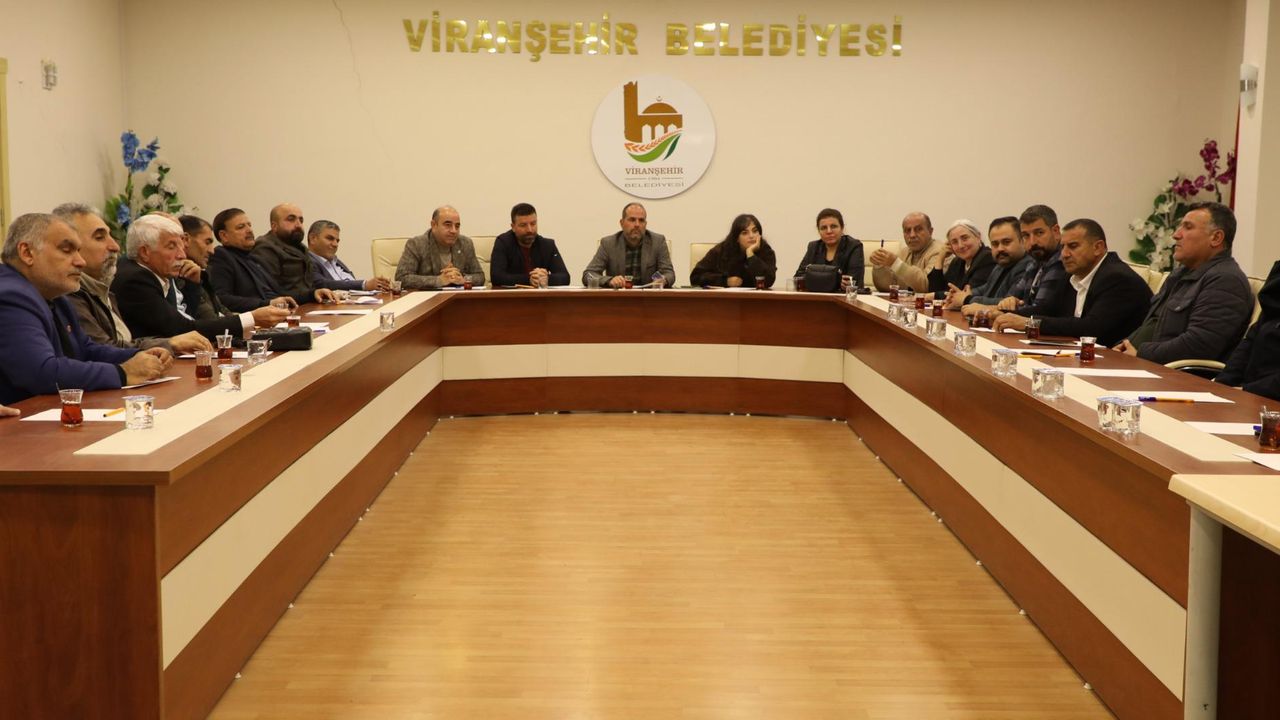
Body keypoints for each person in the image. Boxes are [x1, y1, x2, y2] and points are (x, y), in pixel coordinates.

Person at [0, 213, 168, 404]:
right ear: (27, 253)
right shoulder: (10, 296)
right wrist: (122, 372)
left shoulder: (56, 296)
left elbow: (84, 349)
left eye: (78, 251)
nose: (81, 261)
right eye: (67, 250)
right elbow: (40, 372)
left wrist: (138, 356)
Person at [52, 203, 209, 354]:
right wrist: (170, 343)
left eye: (111, 236)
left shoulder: (102, 290)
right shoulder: (69, 293)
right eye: (99, 237)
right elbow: (100, 351)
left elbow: (123, 342)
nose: (115, 246)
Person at [1115, 202, 1253, 363]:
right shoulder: (1180, 274)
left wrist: (1141, 353)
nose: (1176, 235)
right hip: (1143, 363)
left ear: (1216, 238)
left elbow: (1199, 345)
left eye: (1188, 227)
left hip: (1170, 373)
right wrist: (1124, 346)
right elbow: (1151, 325)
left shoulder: (1226, 280)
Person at [113, 215, 286, 342]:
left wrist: (193, 285)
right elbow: (182, 329)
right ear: (145, 252)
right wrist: (251, 319)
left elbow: (188, 316)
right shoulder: (135, 279)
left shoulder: (155, 272)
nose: (182, 255)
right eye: (171, 246)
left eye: (181, 246)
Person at [992, 219, 1150, 346]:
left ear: (1098, 247)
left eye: (1073, 246)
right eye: (1062, 247)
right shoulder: (1072, 275)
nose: (1064, 254)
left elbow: (1091, 328)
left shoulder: (1118, 278)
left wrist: (1029, 323)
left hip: (1117, 362)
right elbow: (1047, 309)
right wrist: (1004, 315)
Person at [207, 207, 334, 312]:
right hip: (254, 322)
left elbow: (279, 293)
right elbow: (221, 299)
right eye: (241, 227)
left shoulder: (251, 258)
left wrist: (313, 294)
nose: (249, 230)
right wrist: (267, 304)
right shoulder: (221, 256)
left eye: (249, 225)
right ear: (224, 236)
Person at [965, 204, 1072, 321]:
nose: (1032, 242)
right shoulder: (1034, 263)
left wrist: (985, 309)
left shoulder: (1060, 261)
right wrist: (1002, 307)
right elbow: (1010, 300)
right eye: (1026, 235)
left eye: (1039, 233)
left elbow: (1040, 311)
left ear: (1056, 231)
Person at [1217, 260, 1280, 400]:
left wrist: (1247, 390)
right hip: (1248, 395)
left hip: (1265, 397)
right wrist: (1221, 385)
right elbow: (1250, 341)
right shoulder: (1275, 292)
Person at [945, 217, 1032, 310]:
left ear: (1022, 240)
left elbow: (1007, 304)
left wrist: (967, 299)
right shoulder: (1001, 265)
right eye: (995, 244)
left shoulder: (1028, 266)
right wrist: (962, 294)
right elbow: (986, 288)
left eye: (1006, 242)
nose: (1000, 248)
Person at [583, 202, 676, 288]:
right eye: (632, 220)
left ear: (645, 224)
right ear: (622, 223)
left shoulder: (658, 242)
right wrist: (609, 280)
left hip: (648, 297)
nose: (637, 224)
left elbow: (669, 273)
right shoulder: (608, 244)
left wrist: (663, 280)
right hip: (619, 297)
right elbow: (589, 274)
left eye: (641, 220)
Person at [396, 206, 486, 290]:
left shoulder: (465, 243)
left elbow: (480, 276)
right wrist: (438, 280)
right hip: (427, 299)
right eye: (448, 225)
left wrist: (463, 279)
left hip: (458, 298)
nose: (454, 231)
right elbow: (402, 278)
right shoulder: (416, 244)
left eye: (457, 226)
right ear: (434, 225)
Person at [490, 203, 570, 287]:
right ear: (513, 227)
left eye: (533, 224)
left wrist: (546, 279)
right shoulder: (503, 243)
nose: (529, 230)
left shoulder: (547, 245)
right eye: (523, 225)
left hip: (540, 295)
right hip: (513, 294)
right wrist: (529, 279)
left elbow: (565, 277)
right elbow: (496, 277)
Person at [691, 213, 778, 288]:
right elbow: (695, 277)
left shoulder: (766, 251)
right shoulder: (721, 250)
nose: (751, 236)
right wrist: (725, 281)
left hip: (756, 300)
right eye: (745, 233)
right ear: (737, 238)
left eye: (755, 231)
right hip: (725, 300)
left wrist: (751, 255)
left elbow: (768, 281)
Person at [306, 220, 391, 292]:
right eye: (330, 238)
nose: (335, 244)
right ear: (313, 238)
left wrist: (378, 285)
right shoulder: (305, 262)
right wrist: (364, 285)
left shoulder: (336, 262)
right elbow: (322, 285)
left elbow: (351, 283)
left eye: (337, 240)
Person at [870, 212, 945, 292]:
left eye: (918, 229)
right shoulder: (904, 252)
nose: (912, 235)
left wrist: (896, 263)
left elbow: (928, 286)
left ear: (930, 231)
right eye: (907, 230)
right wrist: (879, 265)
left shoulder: (940, 252)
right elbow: (889, 287)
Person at [791, 208, 863, 291]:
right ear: (819, 231)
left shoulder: (854, 246)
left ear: (842, 228)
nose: (829, 231)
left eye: (833, 226)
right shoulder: (814, 247)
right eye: (824, 228)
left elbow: (854, 281)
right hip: (818, 296)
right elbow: (798, 278)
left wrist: (816, 279)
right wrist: (835, 281)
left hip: (844, 297)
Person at [927, 220, 994, 299]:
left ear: (978, 237)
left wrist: (932, 296)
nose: (960, 245)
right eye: (954, 242)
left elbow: (966, 294)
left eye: (965, 238)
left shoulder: (988, 258)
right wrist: (940, 257)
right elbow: (936, 289)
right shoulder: (957, 261)